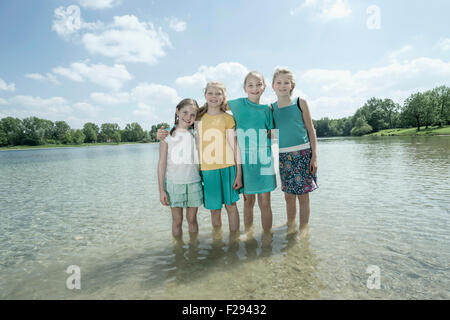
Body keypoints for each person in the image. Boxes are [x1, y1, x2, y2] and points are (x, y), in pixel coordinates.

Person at [226, 71, 277, 233]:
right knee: (248, 202)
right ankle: (248, 235)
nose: (255, 88)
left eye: (258, 84)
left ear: (264, 87)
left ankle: (267, 236)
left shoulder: (267, 110)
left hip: (264, 159)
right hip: (245, 161)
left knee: (265, 202)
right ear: (244, 88)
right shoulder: (237, 104)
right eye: (250, 85)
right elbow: (214, 106)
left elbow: (273, 134)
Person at [271, 68, 318, 236]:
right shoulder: (271, 108)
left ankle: (304, 229)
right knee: (288, 196)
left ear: (292, 85)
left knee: (303, 196)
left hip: (303, 154)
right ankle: (290, 225)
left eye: (286, 82)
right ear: (273, 85)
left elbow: (311, 130)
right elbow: (271, 133)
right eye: (279, 82)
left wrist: (314, 157)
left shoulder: (300, 102)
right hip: (284, 157)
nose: (282, 85)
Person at [196, 82, 242, 235]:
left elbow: (235, 146)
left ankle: (234, 241)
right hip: (208, 170)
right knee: (214, 210)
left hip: (228, 168)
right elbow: (182, 132)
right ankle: (218, 242)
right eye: (210, 93)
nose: (214, 96)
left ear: (224, 97)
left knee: (231, 206)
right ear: (205, 95)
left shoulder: (228, 119)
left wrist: (239, 174)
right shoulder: (198, 118)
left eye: (218, 93)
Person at [157, 98, 203, 241]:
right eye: (185, 112)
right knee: (177, 221)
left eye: (193, 114)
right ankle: (178, 251)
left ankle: (194, 250)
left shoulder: (195, 135)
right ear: (177, 111)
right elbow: (161, 164)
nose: (188, 117)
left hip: (194, 183)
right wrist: (161, 190)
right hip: (174, 185)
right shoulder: (167, 137)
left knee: (192, 220)